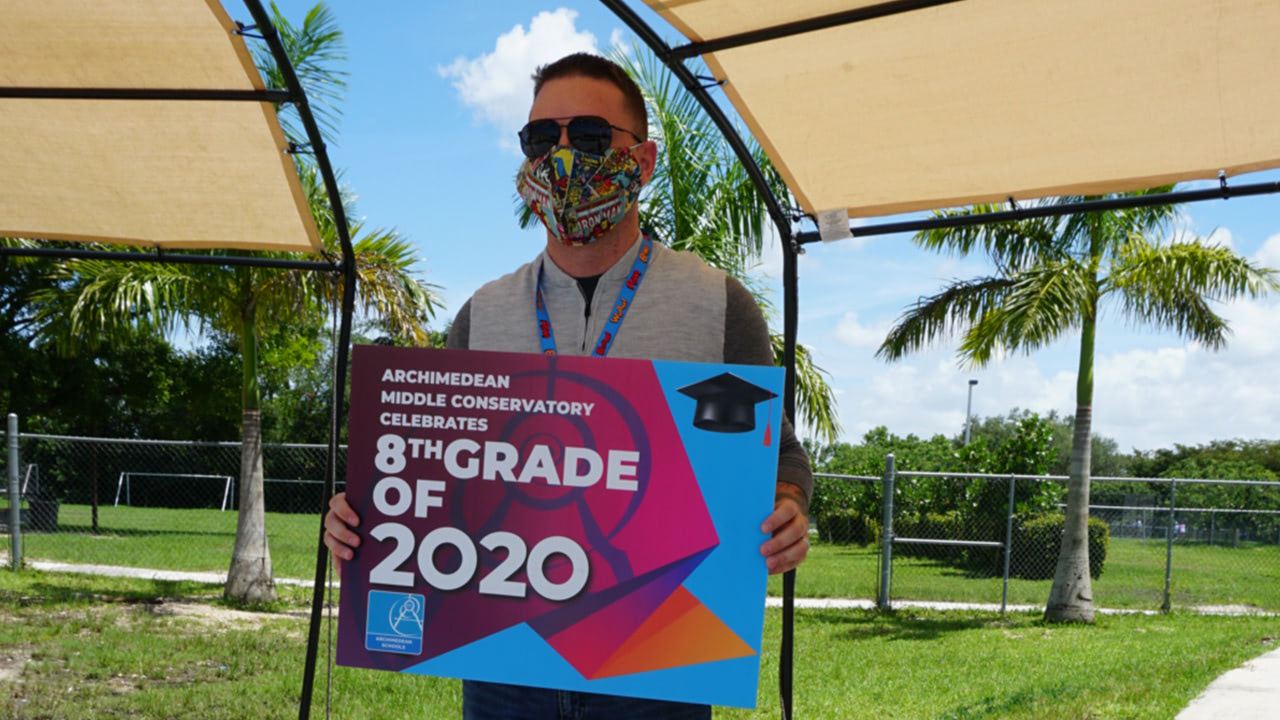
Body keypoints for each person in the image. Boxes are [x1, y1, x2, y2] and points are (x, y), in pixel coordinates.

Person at [324, 52, 813, 720]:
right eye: (539, 138)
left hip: (657, 674)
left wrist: (787, 506)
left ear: (642, 161)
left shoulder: (719, 305)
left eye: (587, 136)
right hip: (503, 670)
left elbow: (781, 454)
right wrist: (362, 518)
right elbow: (433, 475)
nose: (560, 157)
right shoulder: (482, 314)